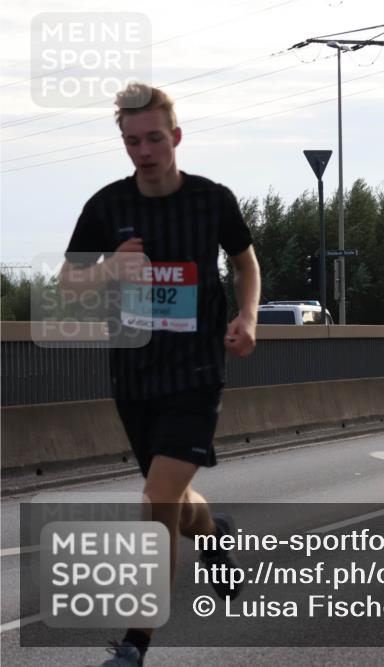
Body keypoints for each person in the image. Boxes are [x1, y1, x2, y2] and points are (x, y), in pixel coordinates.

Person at [59, 83, 260, 667]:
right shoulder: (107, 207)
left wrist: (248, 319)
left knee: (155, 501)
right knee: (170, 497)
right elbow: (69, 285)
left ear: (174, 137)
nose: (143, 151)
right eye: (131, 141)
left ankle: (135, 642)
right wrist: (108, 271)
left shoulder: (210, 200)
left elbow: (246, 263)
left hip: (197, 371)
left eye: (153, 138)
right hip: (135, 372)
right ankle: (214, 532)